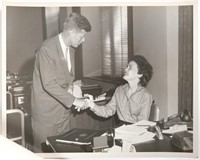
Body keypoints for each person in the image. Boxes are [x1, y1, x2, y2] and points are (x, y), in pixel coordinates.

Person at [31, 12, 91, 152]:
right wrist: (75, 101)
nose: (83, 41)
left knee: (63, 152)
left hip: (63, 113)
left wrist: (72, 89)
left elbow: (65, 79)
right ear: (71, 31)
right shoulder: (47, 49)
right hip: (46, 117)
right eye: (82, 36)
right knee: (45, 153)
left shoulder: (71, 49)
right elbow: (49, 84)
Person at [81, 55, 153, 124]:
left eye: (130, 67)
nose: (125, 69)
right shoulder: (119, 90)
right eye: (127, 66)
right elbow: (107, 111)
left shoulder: (145, 96)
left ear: (140, 74)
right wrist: (92, 105)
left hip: (136, 133)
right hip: (121, 131)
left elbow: (142, 124)